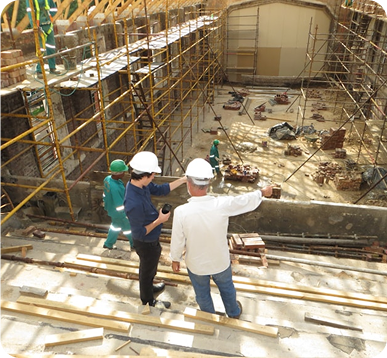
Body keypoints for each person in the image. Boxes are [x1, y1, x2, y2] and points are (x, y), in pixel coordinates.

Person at [170, 158, 273, 319]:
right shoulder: (221, 205)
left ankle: (208, 316)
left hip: (196, 265)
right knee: (227, 288)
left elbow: (177, 240)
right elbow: (244, 201)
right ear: (209, 183)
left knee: (202, 294)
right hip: (220, 262)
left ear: (188, 183)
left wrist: (175, 259)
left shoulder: (181, 212)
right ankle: (233, 313)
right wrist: (262, 192)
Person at [124, 151, 187, 308]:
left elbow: (161, 190)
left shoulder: (140, 184)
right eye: (152, 175)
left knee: (150, 267)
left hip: (152, 239)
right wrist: (159, 220)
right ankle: (147, 300)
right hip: (145, 242)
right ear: (144, 176)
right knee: (146, 269)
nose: (153, 178)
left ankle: (150, 287)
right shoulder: (133, 203)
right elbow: (138, 232)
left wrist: (183, 180)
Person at [102, 159, 134, 250]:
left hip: (111, 210)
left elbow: (105, 194)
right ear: (118, 173)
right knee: (129, 229)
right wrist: (125, 215)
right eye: (123, 171)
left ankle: (108, 244)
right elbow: (119, 205)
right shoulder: (115, 188)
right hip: (119, 213)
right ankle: (134, 244)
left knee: (115, 226)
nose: (124, 173)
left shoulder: (107, 179)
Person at [26, 0, 61, 78]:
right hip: (39, 26)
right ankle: (40, 70)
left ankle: (52, 67)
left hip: (48, 25)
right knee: (41, 49)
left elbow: (54, 9)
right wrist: (34, 26)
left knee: (51, 47)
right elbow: (30, 12)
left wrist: (50, 16)